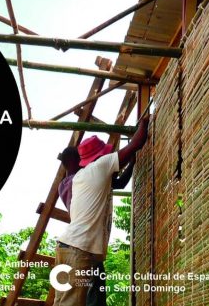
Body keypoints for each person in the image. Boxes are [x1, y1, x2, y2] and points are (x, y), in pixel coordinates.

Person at [54, 115, 149, 306]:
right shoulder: (97, 168)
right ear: (99, 157)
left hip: (74, 248)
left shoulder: (81, 178)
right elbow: (137, 143)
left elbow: (119, 181)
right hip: (79, 249)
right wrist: (145, 121)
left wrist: (133, 160)